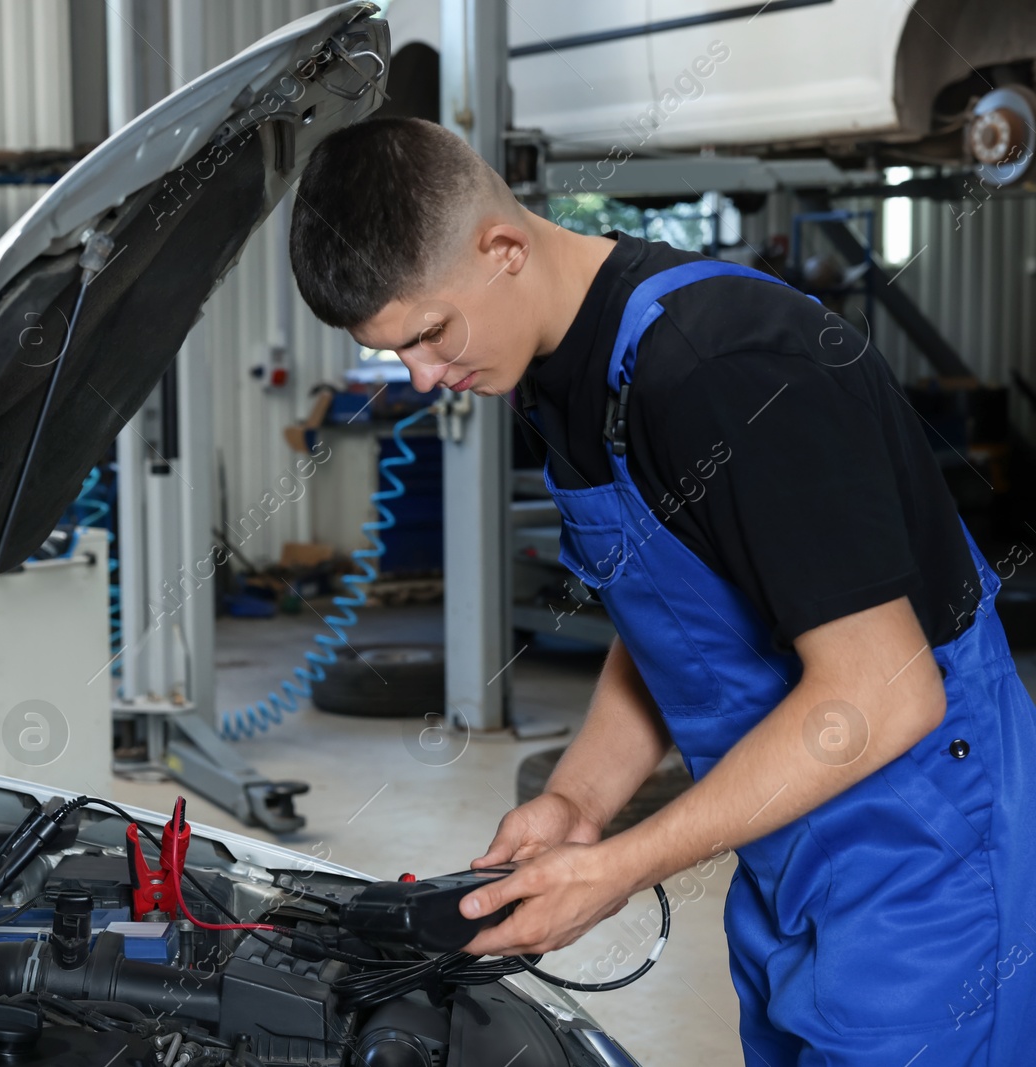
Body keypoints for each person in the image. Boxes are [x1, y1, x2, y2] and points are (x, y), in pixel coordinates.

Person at [287, 116, 1036, 1066]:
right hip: (787, 842)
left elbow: (883, 691)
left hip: (929, 857)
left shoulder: (723, 371)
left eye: (430, 334)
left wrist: (618, 869)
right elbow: (674, 614)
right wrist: (577, 803)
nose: (425, 376)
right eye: (397, 352)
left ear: (504, 247)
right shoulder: (553, 373)